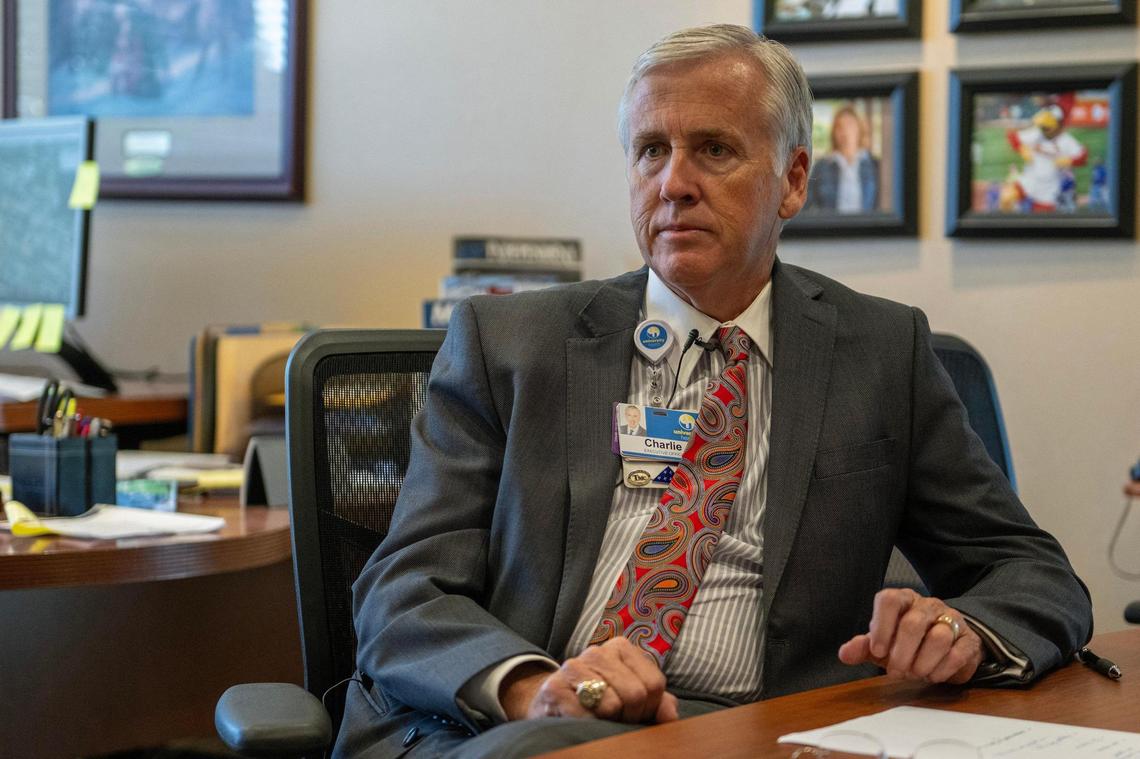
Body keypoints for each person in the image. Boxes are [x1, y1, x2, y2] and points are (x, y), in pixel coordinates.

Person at [337, 25, 1092, 758]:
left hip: (763, 731)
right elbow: (403, 591)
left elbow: (1032, 572)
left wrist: (958, 631)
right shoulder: (507, 344)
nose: (673, 183)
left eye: (713, 150)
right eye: (650, 151)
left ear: (794, 179)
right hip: (518, 724)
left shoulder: (881, 353)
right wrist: (534, 687)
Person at [1006, 104, 1088, 212]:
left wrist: (1069, 161)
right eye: (1042, 126)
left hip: (1049, 188)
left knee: (1042, 215)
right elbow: (1012, 137)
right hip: (1029, 180)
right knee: (1007, 197)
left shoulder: (1066, 141)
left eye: (1046, 126)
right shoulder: (1037, 133)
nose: (1042, 129)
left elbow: (1082, 156)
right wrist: (1022, 149)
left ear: (1058, 124)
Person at [806, 105, 879, 213]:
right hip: (830, 227)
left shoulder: (874, 165)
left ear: (859, 129)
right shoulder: (821, 167)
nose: (845, 132)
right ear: (834, 132)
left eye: (850, 125)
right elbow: (806, 203)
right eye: (840, 127)